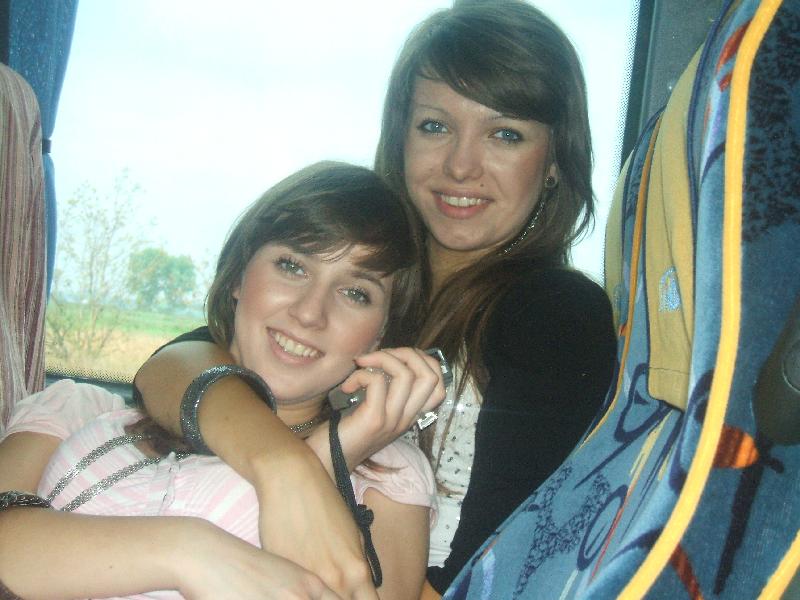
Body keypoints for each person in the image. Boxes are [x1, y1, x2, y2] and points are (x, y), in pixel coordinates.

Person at [132, 1, 617, 597]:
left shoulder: (556, 314)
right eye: (435, 126)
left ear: (554, 161)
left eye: (505, 134)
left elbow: (495, 570)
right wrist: (284, 470)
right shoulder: (364, 282)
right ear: (400, 134)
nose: (461, 166)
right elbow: (169, 368)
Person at [0, 161, 447, 600]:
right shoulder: (82, 410)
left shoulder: (387, 476)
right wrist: (187, 551)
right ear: (238, 277)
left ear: (382, 334)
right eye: (292, 266)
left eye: (355, 293)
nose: (310, 312)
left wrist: (332, 454)